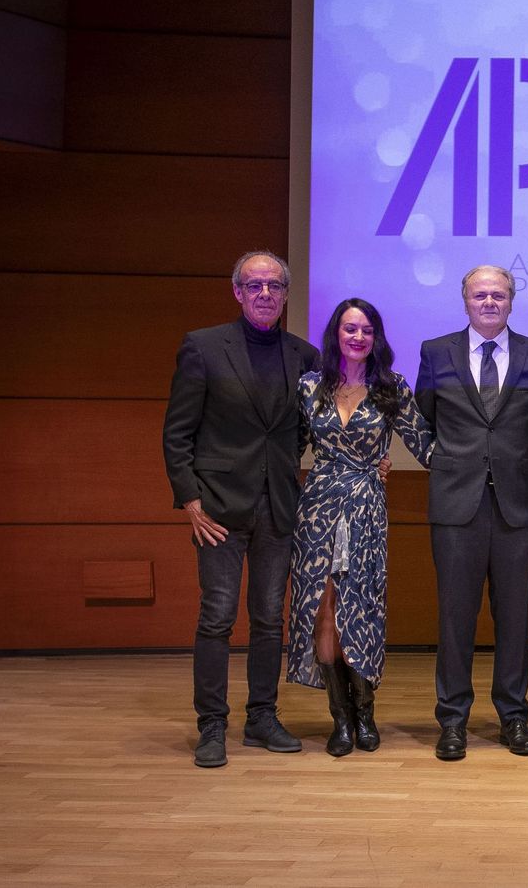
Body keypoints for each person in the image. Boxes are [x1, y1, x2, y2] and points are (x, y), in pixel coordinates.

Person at [162, 250, 318, 768]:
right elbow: (177, 432)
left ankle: (261, 718)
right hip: (219, 513)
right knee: (217, 617)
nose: (265, 294)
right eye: (255, 286)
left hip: (279, 507)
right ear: (237, 292)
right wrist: (189, 500)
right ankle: (211, 725)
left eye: (274, 285)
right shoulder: (203, 347)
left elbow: (309, 430)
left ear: (287, 293)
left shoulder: (304, 355)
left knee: (269, 620)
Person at [285, 298, 432, 757]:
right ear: (336, 334)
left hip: (367, 508)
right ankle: (342, 718)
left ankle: (366, 710)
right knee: (322, 608)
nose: (358, 337)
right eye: (350, 329)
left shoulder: (392, 388)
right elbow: (287, 447)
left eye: (367, 330)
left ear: (377, 338)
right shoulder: (310, 387)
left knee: (360, 610)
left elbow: (429, 448)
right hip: (318, 508)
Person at [416, 265, 528, 762]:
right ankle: (452, 720)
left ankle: (514, 717)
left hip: (519, 505)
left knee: (514, 617)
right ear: (465, 300)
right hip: (456, 505)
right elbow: (422, 417)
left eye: (498, 295)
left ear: (512, 301)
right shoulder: (436, 351)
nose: (489, 302)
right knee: (455, 618)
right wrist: (438, 459)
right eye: (480, 295)